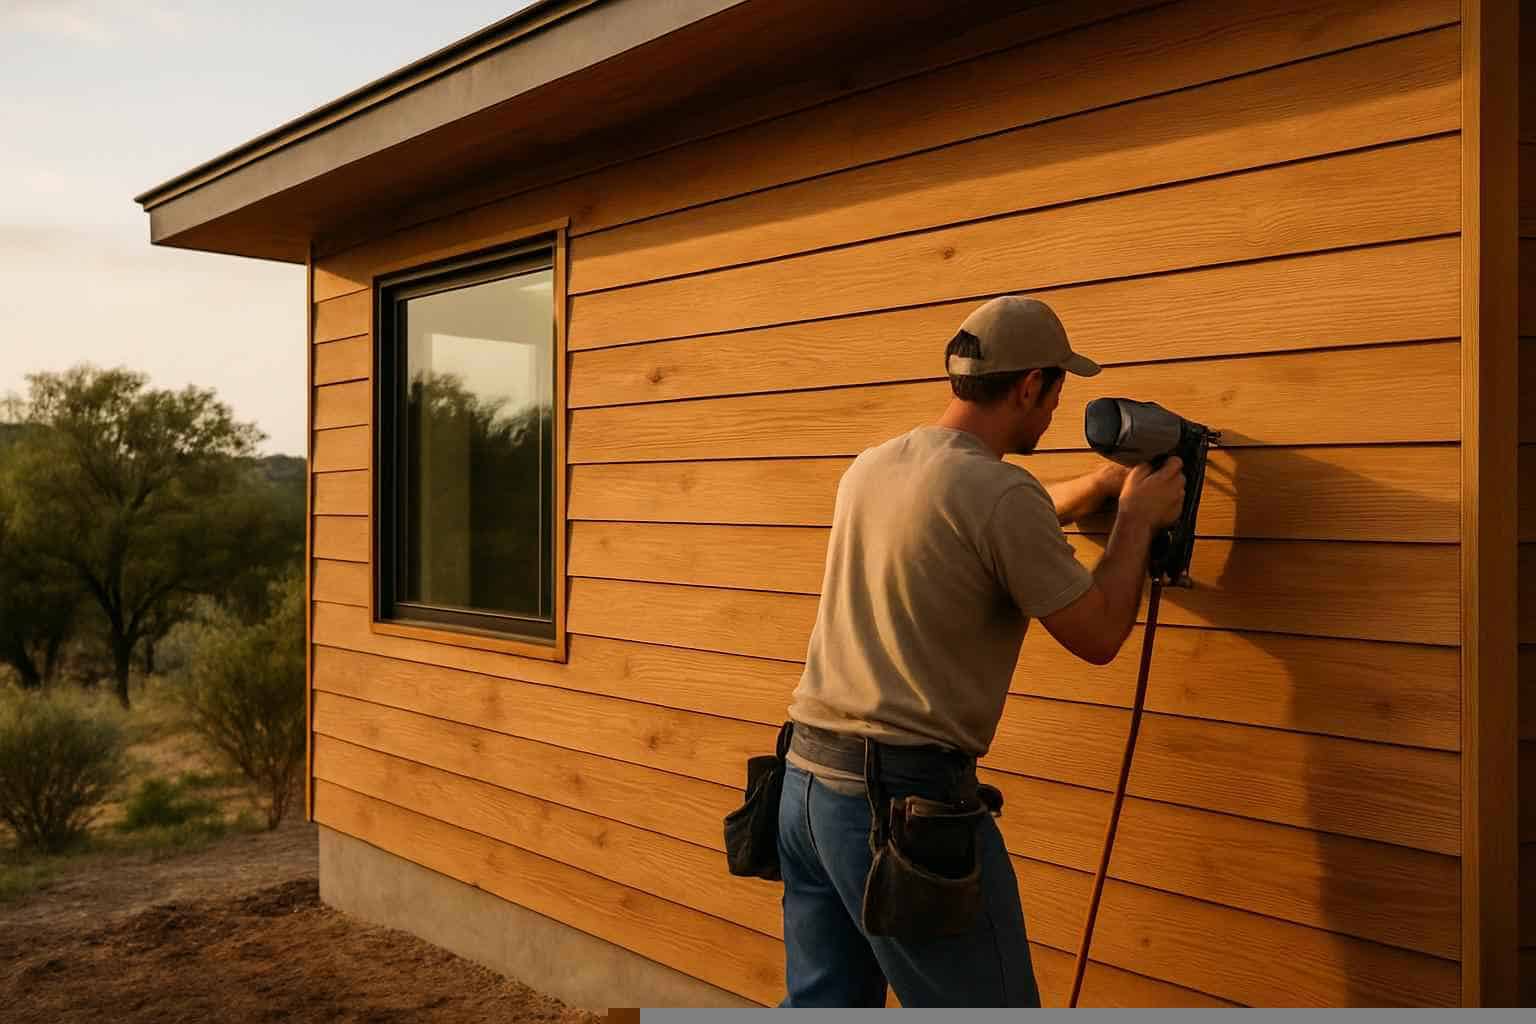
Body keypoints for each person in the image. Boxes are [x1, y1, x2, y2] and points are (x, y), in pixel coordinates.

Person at [776, 295, 1186, 1007]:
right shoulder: (998, 493)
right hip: (899, 808)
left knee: (826, 1006)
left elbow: (979, 521)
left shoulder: (875, 466)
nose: (1058, 410)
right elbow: (1096, 634)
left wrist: (1092, 487)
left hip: (806, 785)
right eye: (1058, 391)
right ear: (1030, 386)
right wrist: (1135, 521)